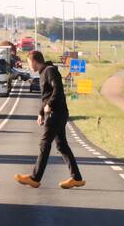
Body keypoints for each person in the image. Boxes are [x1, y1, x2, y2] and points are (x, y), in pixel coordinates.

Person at [15, 50, 85, 189]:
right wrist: (41, 112)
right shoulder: (44, 72)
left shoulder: (49, 71)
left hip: (55, 113)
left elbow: (57, 90)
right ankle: (76, 178)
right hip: (55, 112)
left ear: (34, 61)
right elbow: (46, 95)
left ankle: (35, 178)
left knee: (45, 143)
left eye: (29, 63)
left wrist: (49, 105)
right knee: (61, 146)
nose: (29, 67)